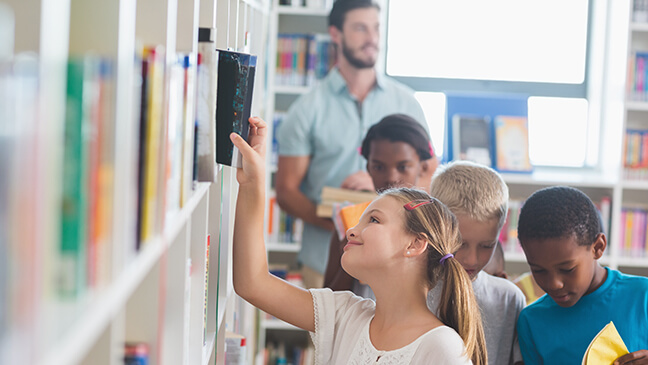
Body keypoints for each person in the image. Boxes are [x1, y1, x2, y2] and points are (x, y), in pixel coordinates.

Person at [230, 116, 486, 364]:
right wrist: (254, 183)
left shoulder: (442, 347)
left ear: (415, 244)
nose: (351, 230)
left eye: (373, 220)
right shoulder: (345, 314)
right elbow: (252, 283)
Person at [275, 0, 428, 287]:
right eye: (360, 28)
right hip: (323, 263)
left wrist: (379, 192)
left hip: (397, 265)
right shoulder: (307, 108)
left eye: (376, 28)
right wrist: (346, 221)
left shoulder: (408, 104)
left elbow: (430, 178)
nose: (372, 38)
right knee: (326, 333)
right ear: (335, 34)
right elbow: (286, 192)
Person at [516, 186, 648, 365]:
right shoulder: (531, 321)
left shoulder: (642, 296)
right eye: (538, 270)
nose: (554, 284)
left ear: (598, 247)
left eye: (567, 269)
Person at [323, 113, 438, 297]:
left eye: (402, 167)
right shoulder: (351, 222)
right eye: (379, 167)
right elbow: (328, 297)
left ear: (422, 167)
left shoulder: (436, 224)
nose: (391, 177)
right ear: (368, 168)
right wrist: (349, 257)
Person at [427, 161, 526, 365]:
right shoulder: (410, 291)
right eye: (460, 244)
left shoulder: (508, 299)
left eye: (486, 246)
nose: (472, 259)